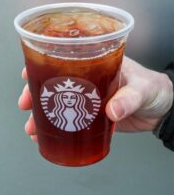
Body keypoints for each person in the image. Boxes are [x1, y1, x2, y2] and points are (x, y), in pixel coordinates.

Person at [18, 57, 174, 150]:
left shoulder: (81, 112)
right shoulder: (56, 111)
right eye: (65, 98)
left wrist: (169, 106)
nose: (69, 100)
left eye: (73, 97)